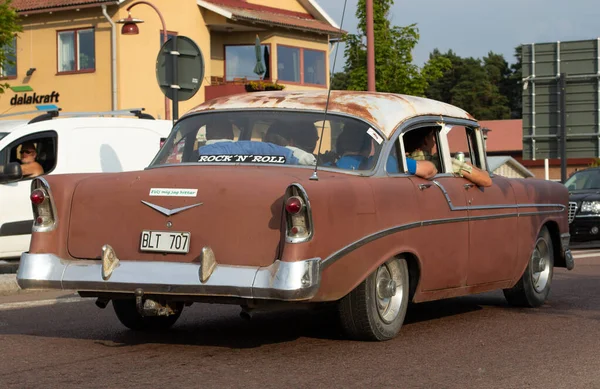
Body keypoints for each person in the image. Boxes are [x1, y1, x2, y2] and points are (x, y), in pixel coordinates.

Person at [403, 127, 492, 186]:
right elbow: (486, 181)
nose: (434, 142)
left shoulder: (401, 162)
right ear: (426, 140)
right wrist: (470, 165)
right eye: (432, 137)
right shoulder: (442, 162)